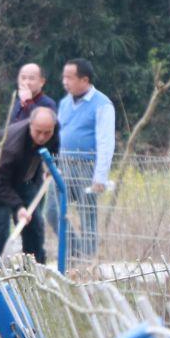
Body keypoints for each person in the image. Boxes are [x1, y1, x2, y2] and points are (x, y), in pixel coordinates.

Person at [0, 107, 59, 264]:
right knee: (1, 217)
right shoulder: (11, 146)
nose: (42, 137)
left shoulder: (53, 132)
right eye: (38, 132)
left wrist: (53, 165)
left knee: (34, 221)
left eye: (47, 132)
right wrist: (18, 206)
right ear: (30, 125)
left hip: (24, 177)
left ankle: (34, 265)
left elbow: (56, 148)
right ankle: (2, 266)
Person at [57, 58, 116, 260]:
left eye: (70, 78)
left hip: (86, 167)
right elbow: (58, 134)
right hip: (63, 165)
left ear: (84, 80)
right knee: (52, 210)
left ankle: (87, 261)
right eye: (64, 77)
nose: (65, 81)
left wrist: (100, 176)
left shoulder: (102, 104)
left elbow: (106, 142)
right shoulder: (64, 103)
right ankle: (75, 251)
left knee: (87, 216)